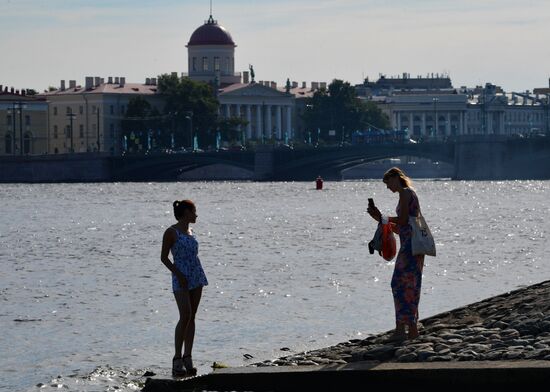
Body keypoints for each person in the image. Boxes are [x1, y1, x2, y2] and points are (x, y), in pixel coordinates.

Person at [367, 167, 424, 341]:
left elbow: (404, 220)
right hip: (411, 245)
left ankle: (403, 330)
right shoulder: (406, 194)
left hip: (411, 247)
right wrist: (379, 218)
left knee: (399, 284)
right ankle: (410, 329)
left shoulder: (406, 193)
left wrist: (383, 216)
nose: (387, 187)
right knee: (408, 285)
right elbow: (401, 228)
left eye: (388, 183)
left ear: (395, 178)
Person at [160, 199, 208, 377]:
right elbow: (164, 257)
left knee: (192, 316)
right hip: (181, 276)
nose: (196, 215)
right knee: (185, 314)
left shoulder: (191, 231)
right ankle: (177, 359)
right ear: (186, 212)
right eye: (194, 211)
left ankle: (188, 357)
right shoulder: (171, 232)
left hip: (196, 274)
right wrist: (178, 274)